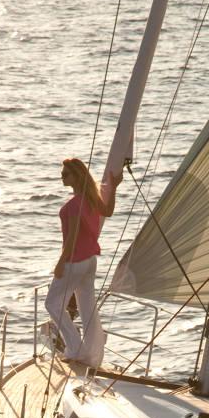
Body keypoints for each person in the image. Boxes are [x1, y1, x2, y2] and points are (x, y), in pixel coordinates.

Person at [45, 157, 122, 369]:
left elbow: (71, 237)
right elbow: (108, 211)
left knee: (52, 303)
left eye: (65, 174)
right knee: (87, 306)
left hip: (74, 262)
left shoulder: (73, 206)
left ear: (76, 176)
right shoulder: (90, 198)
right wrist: (113, 187)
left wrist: (61, 262)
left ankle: (75, 349)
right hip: (90, 262)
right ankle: (92, 353)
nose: (62, 177)